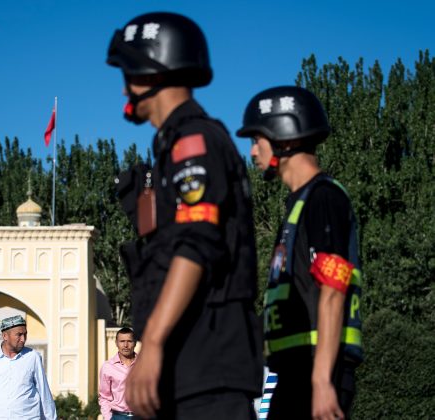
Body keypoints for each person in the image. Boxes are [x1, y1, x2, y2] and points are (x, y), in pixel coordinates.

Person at [107, 12, 263, 418]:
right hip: (189, 367)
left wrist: (153, 344)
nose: (124, 84)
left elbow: (197, 244)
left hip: (207, 365)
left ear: (149, 71)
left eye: (128, 70)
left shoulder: (193, 140)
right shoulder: (173, 147)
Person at [236, 86, 363, 419]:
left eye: (256, 140)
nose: (252, 153)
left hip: (318, 370)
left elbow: (333, 288)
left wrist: (322, 382)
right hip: (294, 372)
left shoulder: (323, 198)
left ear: (285, 139)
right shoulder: (298, 205)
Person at [98, 327, 137, 419]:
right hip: (118, 416)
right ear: (116, 343)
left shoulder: (144, 364)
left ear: (135, 343)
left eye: (129, 341)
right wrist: (108, 417)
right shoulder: (108, 367)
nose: (126, 345)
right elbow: (104, 397)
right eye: (122, 341)